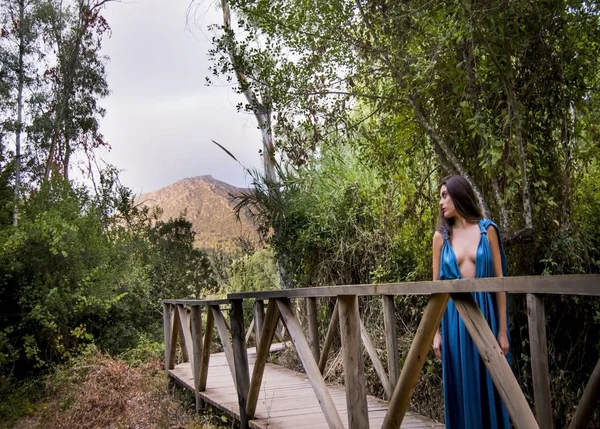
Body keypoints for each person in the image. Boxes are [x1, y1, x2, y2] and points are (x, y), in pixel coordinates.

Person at [431, 174, 511, 429]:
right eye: (440, 197)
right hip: (454, 321)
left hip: (486, 316)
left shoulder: (488, 230)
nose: (441, 202)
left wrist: (502, 330)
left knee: (491, 383)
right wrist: (434, 333)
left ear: (459, 194)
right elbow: (436, 292)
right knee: (461, 385)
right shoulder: (440, 238)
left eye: (445, 195)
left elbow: (500, 284)